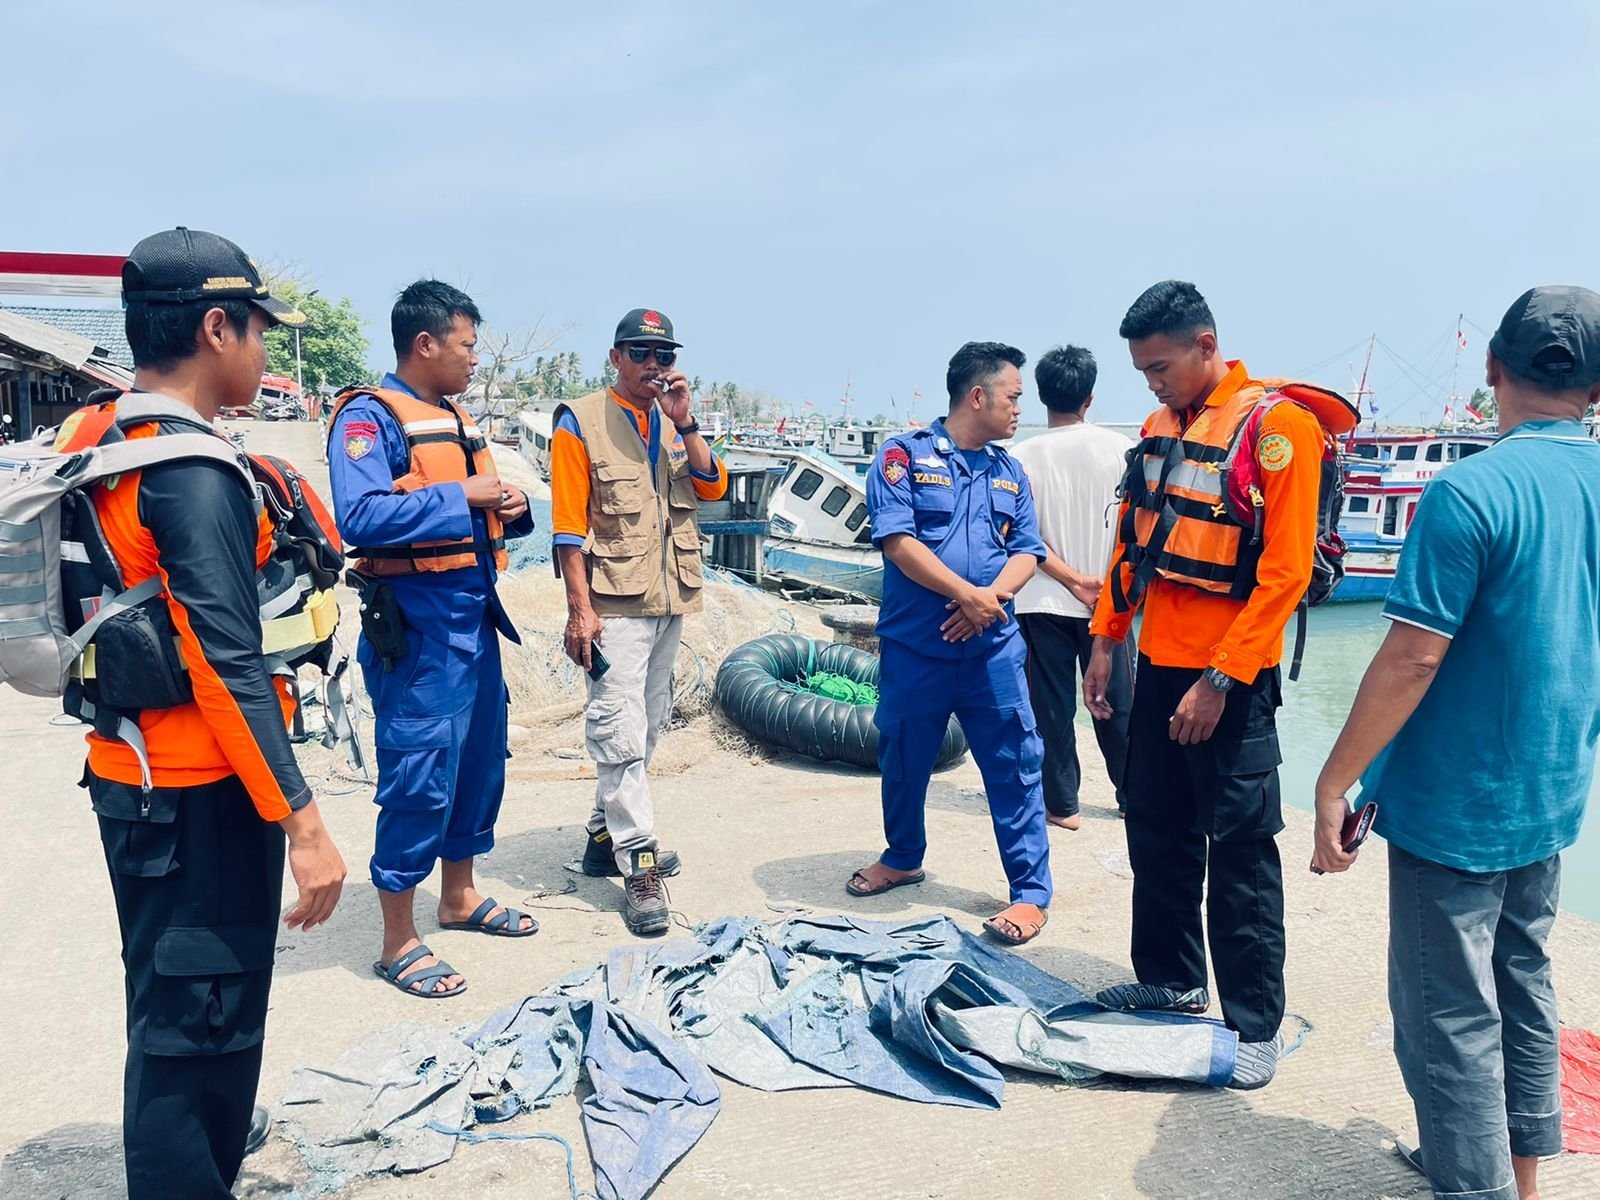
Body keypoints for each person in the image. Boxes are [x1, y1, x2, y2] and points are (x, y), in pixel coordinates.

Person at [70, 228, 347, 1197]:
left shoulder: (103, 435)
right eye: (260, 331)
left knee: (176, 1015)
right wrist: (302, 822)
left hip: (135, 779)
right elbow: (226, 666)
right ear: (215, 326)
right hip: (197, 799)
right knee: (199, 1037)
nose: (266, 353)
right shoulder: (190, 474)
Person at [1313, 286, 1600, 1200]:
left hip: (1458, 803)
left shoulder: (1468, 493)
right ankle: (1522, 1181)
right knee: (1523, 984)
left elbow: (1410, 659)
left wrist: (1334, 779)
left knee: (1449, 1019)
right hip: (1552, 791)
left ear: (1492, 372)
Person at [1083, 281, 1324, 1088]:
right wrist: (1106, 641)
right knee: (1155, 823)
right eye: (1143, 370)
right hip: (1158, 668)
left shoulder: (1279, 430)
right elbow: (1132, 546)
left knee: (1243, 850)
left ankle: (1254, 1021)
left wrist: (1220, 679)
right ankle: (1172, 977)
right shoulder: (1159, 429)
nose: (1152, 383)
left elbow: (1286, 574)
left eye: (1161, 366)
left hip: (1234, 680)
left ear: (1206, 344)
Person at [327, 280, 537, 998]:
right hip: (417, 633)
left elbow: (479, 512)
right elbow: (357, 517)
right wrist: (463, 497)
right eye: (467, 344)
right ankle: (397, 939)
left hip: (474, 622)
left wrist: (508, 503)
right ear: (425, 344)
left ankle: (460, 894)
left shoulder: (453, 415)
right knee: (419, 778)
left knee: (479, 767)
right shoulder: (368, 418)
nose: (474, 358)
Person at [847, 341, 1053, 945]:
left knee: (1015, 764)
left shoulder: (1008, 469)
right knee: (905, 756)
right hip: (917, 648)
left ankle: (1030, 893)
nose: (1020, 409)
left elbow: (1026, 552)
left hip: (991, 649)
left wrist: (985, 604)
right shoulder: (901, 457)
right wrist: (969, 594)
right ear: (977, 395)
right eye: (1014, 397)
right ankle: (903, 855)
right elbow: (898, 543)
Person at [550, 308, 726, 935]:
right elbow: (569, 528)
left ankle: (604, 835)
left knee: (647, 726)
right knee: (619, 731)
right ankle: (640, 862)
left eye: (664, 355)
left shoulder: (672, 421)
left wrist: (687, 421)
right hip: (613, 603)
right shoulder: (581, 421)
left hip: (669, 597)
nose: (655, 365)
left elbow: (711, 489)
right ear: (616, 356)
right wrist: (579, 611)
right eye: (642, 353)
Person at [1011, 345, 1135, 828]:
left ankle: (1062, 805)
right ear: (1090, 396)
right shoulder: (1122, 451)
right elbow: (1136, 530)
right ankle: (1133, 796)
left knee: (1050, 707)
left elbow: (1018, 536)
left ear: (1042, 396)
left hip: (1040, 597)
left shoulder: (1020, 457)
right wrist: (1098, 584)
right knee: (1119, 704)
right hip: (1109, 600)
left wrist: (1068, 579)